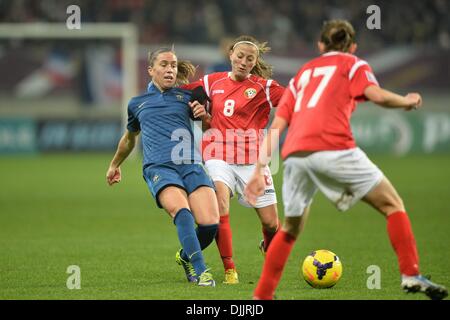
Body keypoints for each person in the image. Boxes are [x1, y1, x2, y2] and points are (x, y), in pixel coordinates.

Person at [245, 20, 448, 300]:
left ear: (320, 45)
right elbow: (376, 96)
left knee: (290, 228)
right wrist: (407, 100)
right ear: (352, 46)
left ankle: (262, 297)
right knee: (392, 204)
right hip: (334, 147)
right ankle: (411, 273)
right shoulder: (353, 64)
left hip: (295, 155)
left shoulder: (303, 73)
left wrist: (258, 169)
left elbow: (277, 126)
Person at [106, 47, 220, 287]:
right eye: (165, 64)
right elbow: (129, 138)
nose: (170, 69)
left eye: (174, 65)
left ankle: (185, 256)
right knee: (182, 212)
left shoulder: (187, 97)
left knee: (210, 224)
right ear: (151, 70)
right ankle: (201, 271)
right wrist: (115, 164)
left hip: (190, 164)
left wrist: (204, 117)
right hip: (159, 168)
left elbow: (209, 128)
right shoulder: (137, 103)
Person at [184, 35, 286, 284]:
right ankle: (230, 268)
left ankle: (266, 244)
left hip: (252, 161)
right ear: (230, 55)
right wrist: (195, 109)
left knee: (272, 225)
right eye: (239, 56)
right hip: (218, 154)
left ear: (255, 62)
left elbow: (292, 102)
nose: (243, 62)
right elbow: (182, 94)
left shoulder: (264, 87)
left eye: (249, 59)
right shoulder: (211, 81)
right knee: (221, 206)